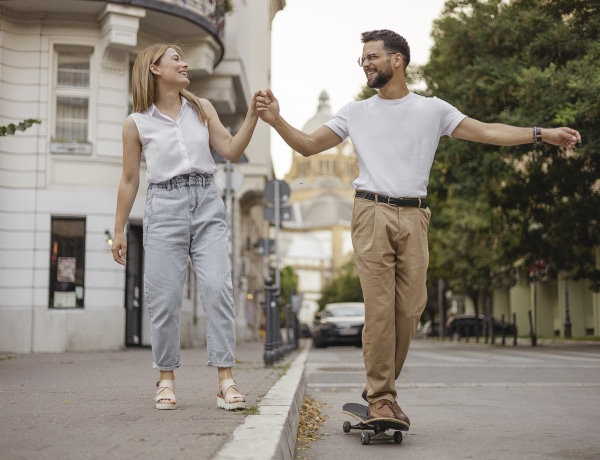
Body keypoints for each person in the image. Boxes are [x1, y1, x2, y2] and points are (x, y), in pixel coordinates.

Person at [256, 29, 581, 424]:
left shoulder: (433, 110)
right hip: (371, 212)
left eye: (372, 57)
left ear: (398, 60)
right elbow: (308, 145)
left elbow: (488, 131)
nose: (366, 65)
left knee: (411, 308)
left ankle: (380, 386)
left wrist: (540, 134)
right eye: (362, 60)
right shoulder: (355, 112)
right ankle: (381, 397)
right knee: (379, 309)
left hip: (415, 215)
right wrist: (275, 120)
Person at [112, 44, 260, 411]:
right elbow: (130, 180)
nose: (184, 63)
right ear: (155, 69)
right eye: (175, 58)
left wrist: (253, 117)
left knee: (217, 287)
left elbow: (228, 149)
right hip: (164, 206)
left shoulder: (201, 108)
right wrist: (118, 231)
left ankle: (225, 381)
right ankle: (165, 378)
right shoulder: (137, 123)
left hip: (207, 202)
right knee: (164, 298)